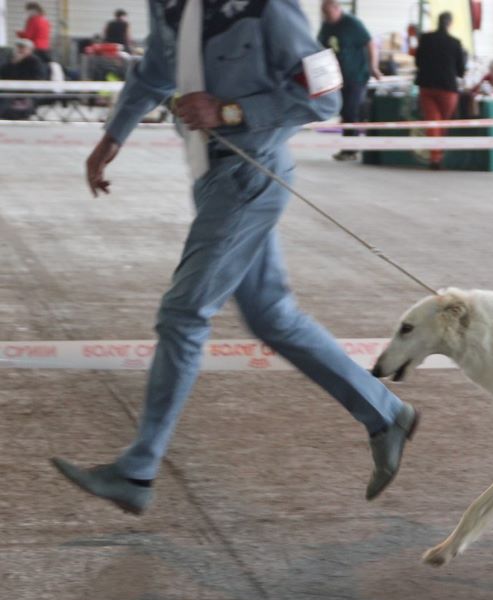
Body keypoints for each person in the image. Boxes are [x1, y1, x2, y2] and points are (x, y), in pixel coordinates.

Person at [51, 0, 418, 514]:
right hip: (210, 177)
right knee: (273, 318)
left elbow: (326, 91)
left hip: (250, 176)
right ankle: (385, 414)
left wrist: (229, 112)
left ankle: (138, 470)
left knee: (183, 313)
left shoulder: (267, 6)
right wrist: (112, 137)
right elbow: (155, 69)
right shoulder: (171, 8)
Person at [318, 0, 382, 161]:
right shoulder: (326, 26)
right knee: (344, 111)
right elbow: (319, 46)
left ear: (337, 8)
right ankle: (349, 147)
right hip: (337, 77)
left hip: (356, 76)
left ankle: (350, 150)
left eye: (327, 12)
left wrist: (373, 66)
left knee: (350, 111)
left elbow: (370, 43)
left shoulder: (352, 24)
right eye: (323, 12)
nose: (325, 15)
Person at [414, 11, 466, 170]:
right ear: (450, 24)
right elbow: (460, 71)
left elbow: (418, 62)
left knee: (432, 123)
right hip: (447, 89)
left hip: (427, 86)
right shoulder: (456, 43)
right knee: (443, 124)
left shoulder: (425, 39)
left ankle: (435, 157)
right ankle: (438, 156)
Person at [0, 38, 48, 120]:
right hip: (11, 90)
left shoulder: (35, 62)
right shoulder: (11, 60)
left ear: (30, 50)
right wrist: (13, 64)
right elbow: (3, 75)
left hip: (28, 91)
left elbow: (38, 78)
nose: (20, 50)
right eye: (19, 47)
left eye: (23, 48)